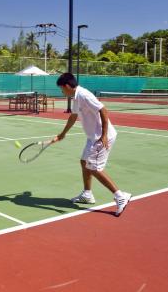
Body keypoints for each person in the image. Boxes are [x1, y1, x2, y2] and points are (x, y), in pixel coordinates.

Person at [52, 73, 131, 217]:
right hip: (92, 137)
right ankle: (87, 194)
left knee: (94, 167)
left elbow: (103, 110)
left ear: (67, 86)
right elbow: (73, 116)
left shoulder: (83, 95)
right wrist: (62, 134)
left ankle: (120, 196)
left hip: (100, 137)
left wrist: (104, 135)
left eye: (62, 89)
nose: (62, 92)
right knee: (84, 162)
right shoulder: (76, 97)